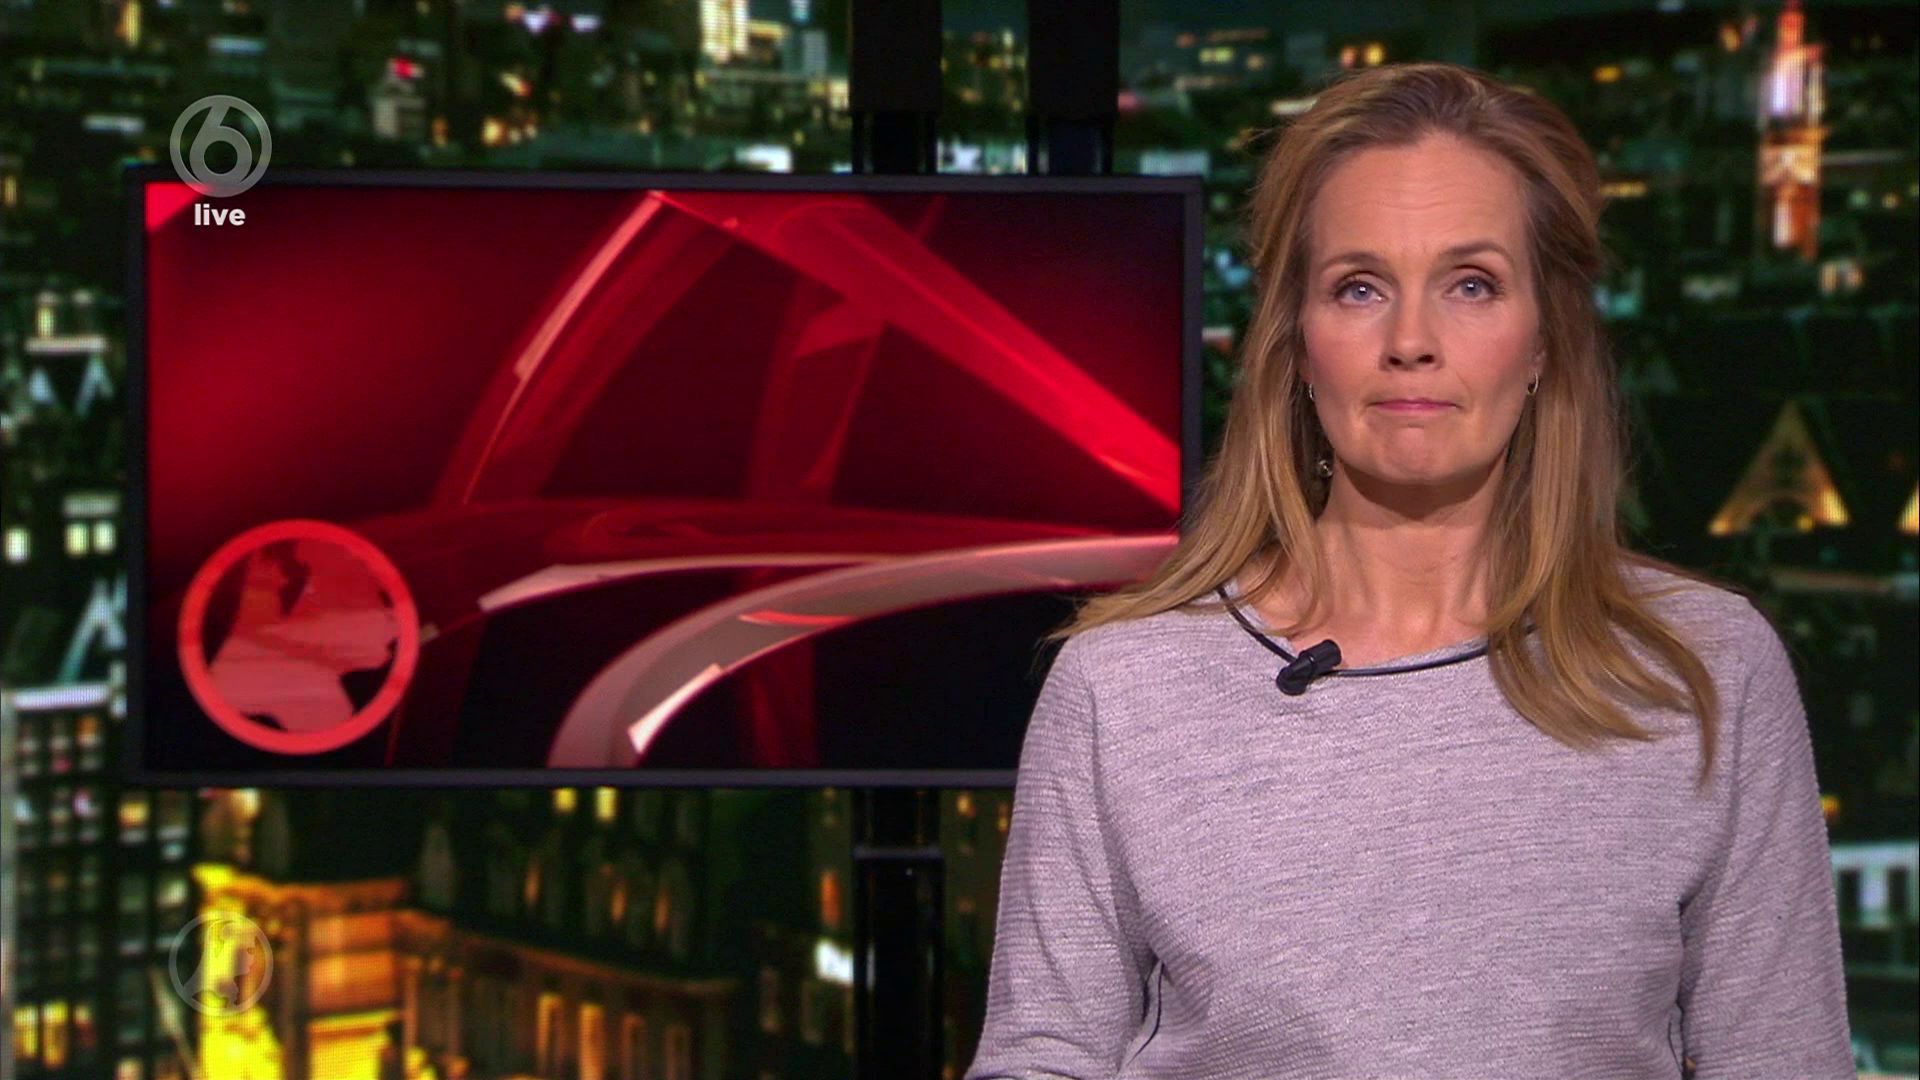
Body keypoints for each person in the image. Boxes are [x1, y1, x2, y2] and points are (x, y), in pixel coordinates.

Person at [966, 62, 1852, 1080]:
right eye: (1360, 288)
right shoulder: (1122, 690)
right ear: (1298, 344)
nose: (1411, 342)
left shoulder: (1705, 671)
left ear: (1544, 340)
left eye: (1471, 285)